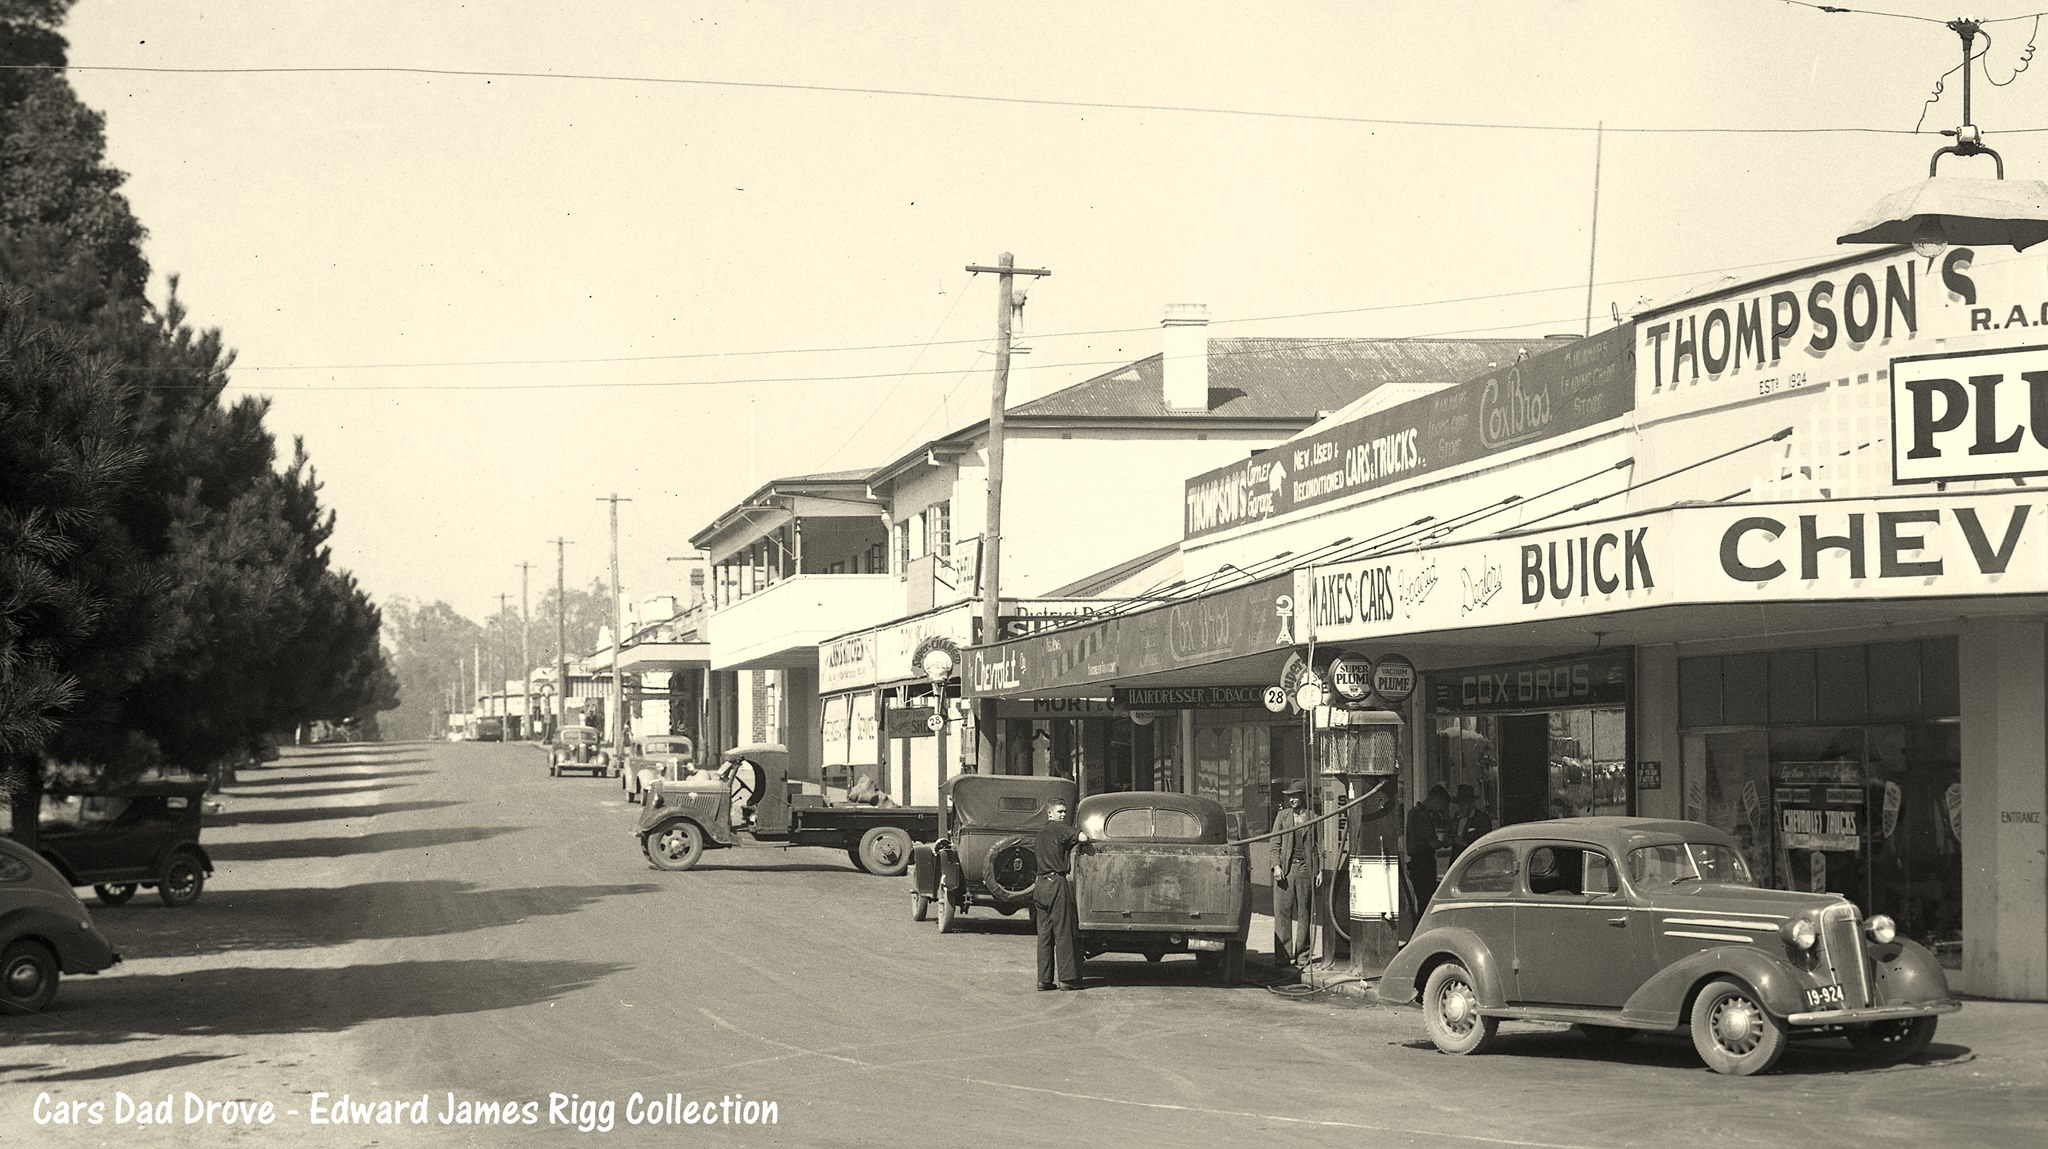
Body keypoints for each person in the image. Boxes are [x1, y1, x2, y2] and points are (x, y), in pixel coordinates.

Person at [1032, 798, 1087, 991]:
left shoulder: (1040, 834)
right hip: (1056, 883)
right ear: (1050, 814)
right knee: (1063, 931)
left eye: (1065, 812)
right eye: (1060, 811)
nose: (1063, 814)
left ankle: (1044, 980)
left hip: (1040, 884)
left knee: (1044, 934)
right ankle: (1067, 979)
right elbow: (1082, 838)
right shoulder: (1059, 828)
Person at [1270, 781, 1322, 969]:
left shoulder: (1314, 817)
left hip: (1305, 870)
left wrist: (1320, 870)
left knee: (1304, 913)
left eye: (1296, 796)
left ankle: (1302, 956)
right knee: (1282, 913)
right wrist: (1276, 866)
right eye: (1290, 796)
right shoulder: (1282, 817)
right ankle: (1282, 957)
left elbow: (1320, 846)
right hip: (1286, 869)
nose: (1292, 799)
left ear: (1303, 797)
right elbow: (1274, 843)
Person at [1405, 784, 1451, 915]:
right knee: (1425, 900)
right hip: (1423, 862)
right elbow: (1432, 843)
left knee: (1423, 900)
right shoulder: (1422, 816)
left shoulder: (1416, 812)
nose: (1441, 809)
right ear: (1435, 799)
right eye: (1441, 804)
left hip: (1418, 862)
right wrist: (1444, 842)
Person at [1450, 783, 1493, 854]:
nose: (1460, 808)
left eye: (1463, 805)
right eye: (1458, 805)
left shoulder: (1482, 818)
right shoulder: (1457, 817)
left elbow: (1486, 841)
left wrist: (1464, 842)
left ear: (1472, 803)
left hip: (1475, 858)